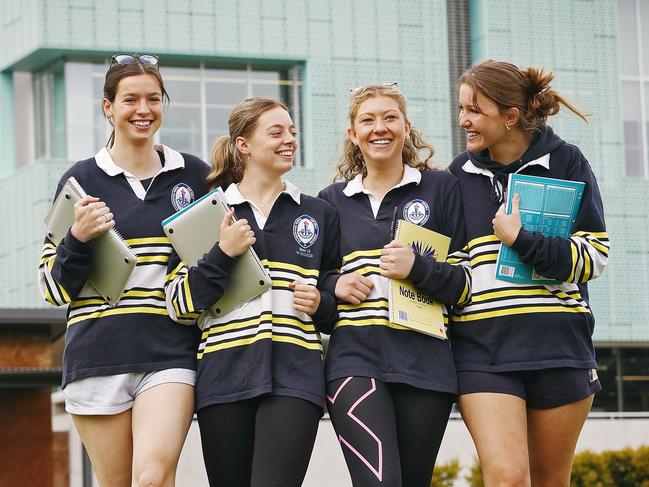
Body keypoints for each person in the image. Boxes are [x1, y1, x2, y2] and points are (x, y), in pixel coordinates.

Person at [37, 54, 208, 486]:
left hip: (170, 354)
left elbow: (218, 262)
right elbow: (51, 289)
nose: (143, 109)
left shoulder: (195, 175)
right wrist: (76, 238)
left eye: (153, 98)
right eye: (130, 99)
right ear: (108, 107)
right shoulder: (80, 181)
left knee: (152, 477)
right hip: (98, 356)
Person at [164, 97, 340, 487]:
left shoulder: (319, 213)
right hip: (223, 380)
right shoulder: (209, 214)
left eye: (292, 132)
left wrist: (321, 304)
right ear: (243, 144)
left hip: (297, 378)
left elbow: (336, 305)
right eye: (276, 132)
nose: (289, 140)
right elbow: (178, 304)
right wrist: (223, 254)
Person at [450, 59, 610, 486]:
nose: (463, 120)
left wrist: (522, 240)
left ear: (511, 116)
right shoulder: (456, 177)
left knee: (550, 481)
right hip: (483, 353)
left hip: (558, 348)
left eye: (474, 110)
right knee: (506, 479)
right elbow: (451, 266)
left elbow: (594, 256)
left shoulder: (567, 162)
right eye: (461, 108)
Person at [317, 83, 470, 487]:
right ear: (353, 133)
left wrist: (417, 267)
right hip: (354, 361)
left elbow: (464, 286)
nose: (379, 128)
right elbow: (316, 283)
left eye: (389, 118)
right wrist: (335, 285)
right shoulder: (329, 201)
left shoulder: (441, 188)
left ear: (405, 127)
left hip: (426, 364)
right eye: (367, 120)